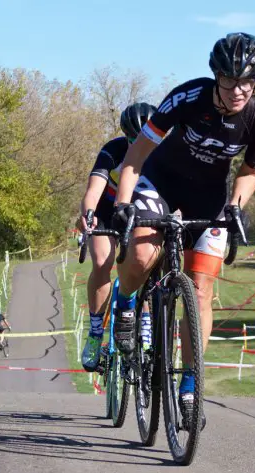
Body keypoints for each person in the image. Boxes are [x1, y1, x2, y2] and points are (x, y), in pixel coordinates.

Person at [110, 32, 255, 423]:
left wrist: (236, 207)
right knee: (140, 254)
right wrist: (122, 203)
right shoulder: (188, 97)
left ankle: (190, 386)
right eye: (229, 79)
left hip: (209, 196)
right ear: (216, 76)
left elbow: (250, 171)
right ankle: (124, 302)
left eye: (246, 82)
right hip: (161, 182)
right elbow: (138, 151)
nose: (238, 90)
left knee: (202, 290)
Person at [79, 102, 158, 373]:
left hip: (141, 213)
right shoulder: (113, 150)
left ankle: (144, 321)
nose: (140, 143)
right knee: (102, 262)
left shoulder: (165, 152)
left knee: (144, 264)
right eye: (134, 138)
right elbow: (93, 191)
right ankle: (95, 331)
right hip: (107, 212)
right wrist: (88, 214)